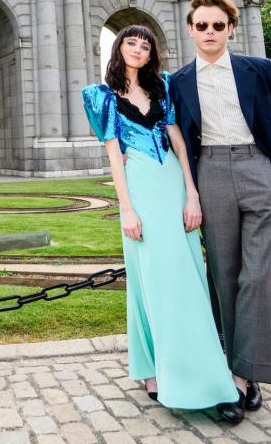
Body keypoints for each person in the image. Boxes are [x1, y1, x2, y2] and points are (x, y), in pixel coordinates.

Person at [82, 25, 242, 421]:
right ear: (119, 49)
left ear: (153, 53)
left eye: (145, 44)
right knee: (149, 282)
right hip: (139, 190)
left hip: (172, 183)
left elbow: (178, 141)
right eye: (131, 43)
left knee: (187, 278)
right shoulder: (100, 96)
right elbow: (114, 156)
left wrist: (191, 192)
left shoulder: (163, 87)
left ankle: (202, 375)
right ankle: (155, 372)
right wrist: (127, 209)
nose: (138, 49)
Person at [169, 0, 271, 418]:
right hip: (210, 173)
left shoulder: (260, 70)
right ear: (191, 30)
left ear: (231, 28)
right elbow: (172, 140)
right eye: (202, 25)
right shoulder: (178, 81)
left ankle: (245, 379)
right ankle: (226, 371)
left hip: (259, 171)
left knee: (257, 277)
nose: (210, 32)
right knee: (224, 277)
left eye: (218, 25)